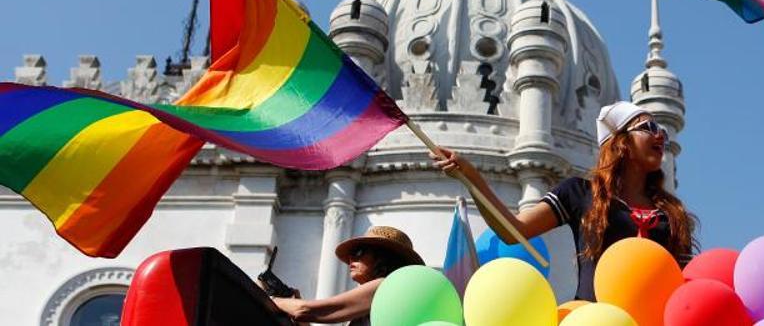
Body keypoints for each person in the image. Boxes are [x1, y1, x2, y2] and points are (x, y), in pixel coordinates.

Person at [431, 101, 697, 301]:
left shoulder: (672, 213)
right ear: (621, 143)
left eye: (661, 128)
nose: (660, 135)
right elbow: (515, 232)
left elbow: (685, 282)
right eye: (649, 128)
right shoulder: (580, 193)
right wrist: (471, 177)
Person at [271, 226, 423, 325]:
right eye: (351, 254)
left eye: (359, 252)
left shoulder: (386, 286)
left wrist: (271, 300)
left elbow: (304, 310)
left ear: (383, 257)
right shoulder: (364, 312)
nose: (351, 259)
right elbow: (305, 312)